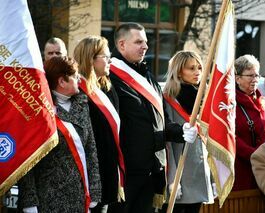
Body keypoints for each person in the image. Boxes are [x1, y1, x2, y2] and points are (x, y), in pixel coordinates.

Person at [107, 22, 197, 213]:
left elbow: (162, 121)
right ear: (122, 44)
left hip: (153, 170)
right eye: (139, 42)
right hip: (126, 173)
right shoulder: (109, 78)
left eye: (146, 42)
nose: (145, 46)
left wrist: (181, 131)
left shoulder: (148, 76)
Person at [17, 56, 101, 213]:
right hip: (48, 198)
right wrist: (29, 201)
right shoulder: (39, 109)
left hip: (79, 195)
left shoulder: (81, 104)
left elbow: (91, 149)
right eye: (75, 76)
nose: (79, 80)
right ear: (62, 82)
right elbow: (28, 159)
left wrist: (95, 190)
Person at [73, 35, 125, 213]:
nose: (110, 60)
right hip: (90, 176)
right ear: (90, 59)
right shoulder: (78, 92)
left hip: (108, 173)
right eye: (105, 56)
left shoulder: (108, 89)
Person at [161, 50, 214, 213]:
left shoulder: (203, 97)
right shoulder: (168, 98)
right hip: (180, 174)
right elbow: (167, 142)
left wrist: (212, 176)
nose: (197, 72)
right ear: (178, 71)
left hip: (199, 171)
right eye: (191, 68)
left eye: (199, 67)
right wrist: (171, 179)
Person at [233, 54, 265, 191]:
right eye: (250, 76)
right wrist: (253, 154)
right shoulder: (230, 103)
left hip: (261, 165)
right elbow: (230, 136)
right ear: (238, 78)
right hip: (240, 166)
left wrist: (262, 153)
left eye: (257, 75)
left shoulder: (259, 99)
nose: (255, 80)